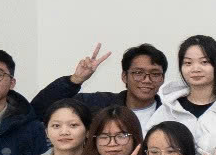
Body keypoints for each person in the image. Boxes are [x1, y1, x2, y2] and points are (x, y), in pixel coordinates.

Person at [29, 42, 169, 128]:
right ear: (124, 76)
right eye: (138, 73)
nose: (147, 80)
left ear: (162, 79)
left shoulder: (171, 112)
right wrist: (75, 80)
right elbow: (38, 110)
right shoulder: (99, 104)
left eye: (155, 74)